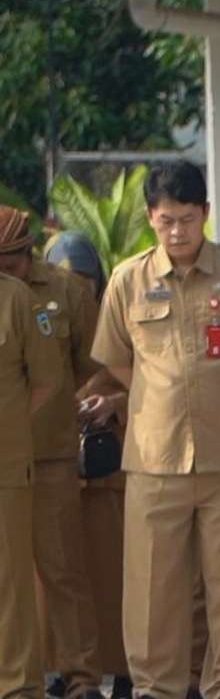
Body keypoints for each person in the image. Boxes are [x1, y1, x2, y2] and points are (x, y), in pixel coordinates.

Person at [91, 161, 220, 699]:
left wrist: (215, 393)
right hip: (154, 456)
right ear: (152, 217)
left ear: (205, 213)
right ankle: (158, 689)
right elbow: (116, 361)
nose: (177, 232)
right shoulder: (128, 279)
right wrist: (161, 395)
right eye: (166, 220)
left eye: (188, 219)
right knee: (153, 590)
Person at [0, 211, 104, 699]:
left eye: (12, 261)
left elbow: (87, 366)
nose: (7, 270)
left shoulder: (67, 291)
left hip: (50, 455)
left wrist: (46, 411)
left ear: (28, 253)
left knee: (62, 569)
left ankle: (82, 677)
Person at [44, 231, 133, 699]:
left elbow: (156, 382)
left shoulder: (118, 322)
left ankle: (123, 669)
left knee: (113, 579)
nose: (76, 289)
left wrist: (115, 401)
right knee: (61, 579)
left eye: (84, 280)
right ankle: (68, 669)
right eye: (66, 279)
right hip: (56, 474)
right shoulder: (37, 322)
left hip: (111, 475)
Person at [0, 206, 62, 699]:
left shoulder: (17, 300)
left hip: (5, 462)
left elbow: (45, 381)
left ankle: (18, 687)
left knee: (10, 582)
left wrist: (11, 423)